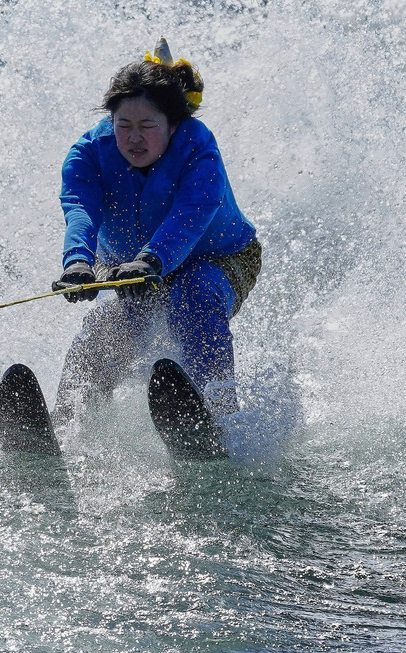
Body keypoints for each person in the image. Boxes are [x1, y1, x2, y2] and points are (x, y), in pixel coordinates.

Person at [51, 38, 261, 424]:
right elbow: (80, 209)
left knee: (193, 296)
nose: (133, 138)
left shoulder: (198, 147)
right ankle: (69, 416)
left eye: (147, 126)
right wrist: (78, 261)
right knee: (118, 323)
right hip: (127, 263)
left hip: (219, 257)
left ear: (173, 124)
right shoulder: (88, 151)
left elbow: (191, 213)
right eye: (123, 126)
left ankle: (219, 413)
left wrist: (151, 259)